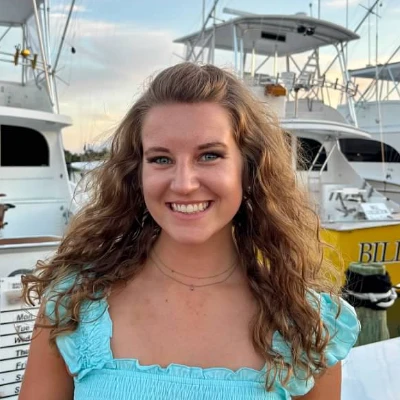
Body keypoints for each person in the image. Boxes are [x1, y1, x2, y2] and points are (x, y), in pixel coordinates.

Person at [20, 62, 360, 400]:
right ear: (137, 174)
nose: (183, 184)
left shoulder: (306, 323)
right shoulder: (75, 304)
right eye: (161, 159)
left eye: (209, 155)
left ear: (249, 168)